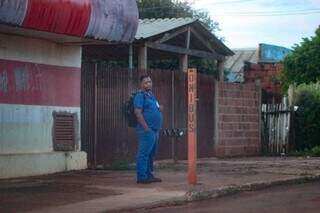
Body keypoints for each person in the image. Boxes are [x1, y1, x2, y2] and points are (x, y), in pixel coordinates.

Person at [134, 75, 163, 184]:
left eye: (150, 82)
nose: (148, 84)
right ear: (141, 84)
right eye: (146, 82)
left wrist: (159, 108)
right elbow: (137, 112)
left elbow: (154, 107)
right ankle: (141, 177)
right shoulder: (140, 96)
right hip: (147, 130)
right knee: (144, 153)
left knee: (151, 153)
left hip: (155, 130)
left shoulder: (151, 95)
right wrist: (146, 127)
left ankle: (149, 175)